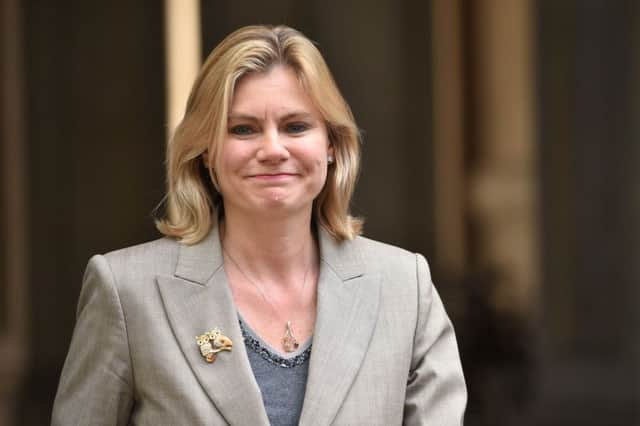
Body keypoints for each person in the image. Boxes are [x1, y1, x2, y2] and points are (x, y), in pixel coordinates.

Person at [52, 25, 466, 425]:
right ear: (207, 152)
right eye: (243, 129)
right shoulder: (126, 291)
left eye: (296, 126)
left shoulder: (404, 288)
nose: (272, 149)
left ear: (333, 146)